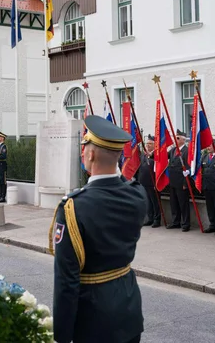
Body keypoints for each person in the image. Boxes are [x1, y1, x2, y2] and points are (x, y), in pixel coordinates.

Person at [52, 115, 146, 343]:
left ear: (91, 153)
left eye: (85, 146)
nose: (83, 151)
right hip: (129, 311)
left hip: (94, 323)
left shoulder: (73, 207)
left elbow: (66, 282)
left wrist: (61, 337)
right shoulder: (137, 194)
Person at [167, 130, 191, 231]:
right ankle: (175, 221)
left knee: (183, 203)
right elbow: (163, 157)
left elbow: (188, 166)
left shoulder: (186, 150)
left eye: (177, 138)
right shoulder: (173, 150)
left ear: (183, 140)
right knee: (174, 203)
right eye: (175, 138)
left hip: (181, 182)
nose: (175, 140)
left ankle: (185, 224)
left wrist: (186, 182)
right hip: (172, 181)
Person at [138, 135, 161, 228]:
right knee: (148, 202)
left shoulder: (156, 154)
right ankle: (150, 218)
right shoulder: (143, 154)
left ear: (155, 145)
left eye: (150, 144)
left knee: (155, 202)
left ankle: (157, 220)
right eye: (147, 143)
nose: (148, 145)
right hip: (144, 182)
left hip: (153, 182)